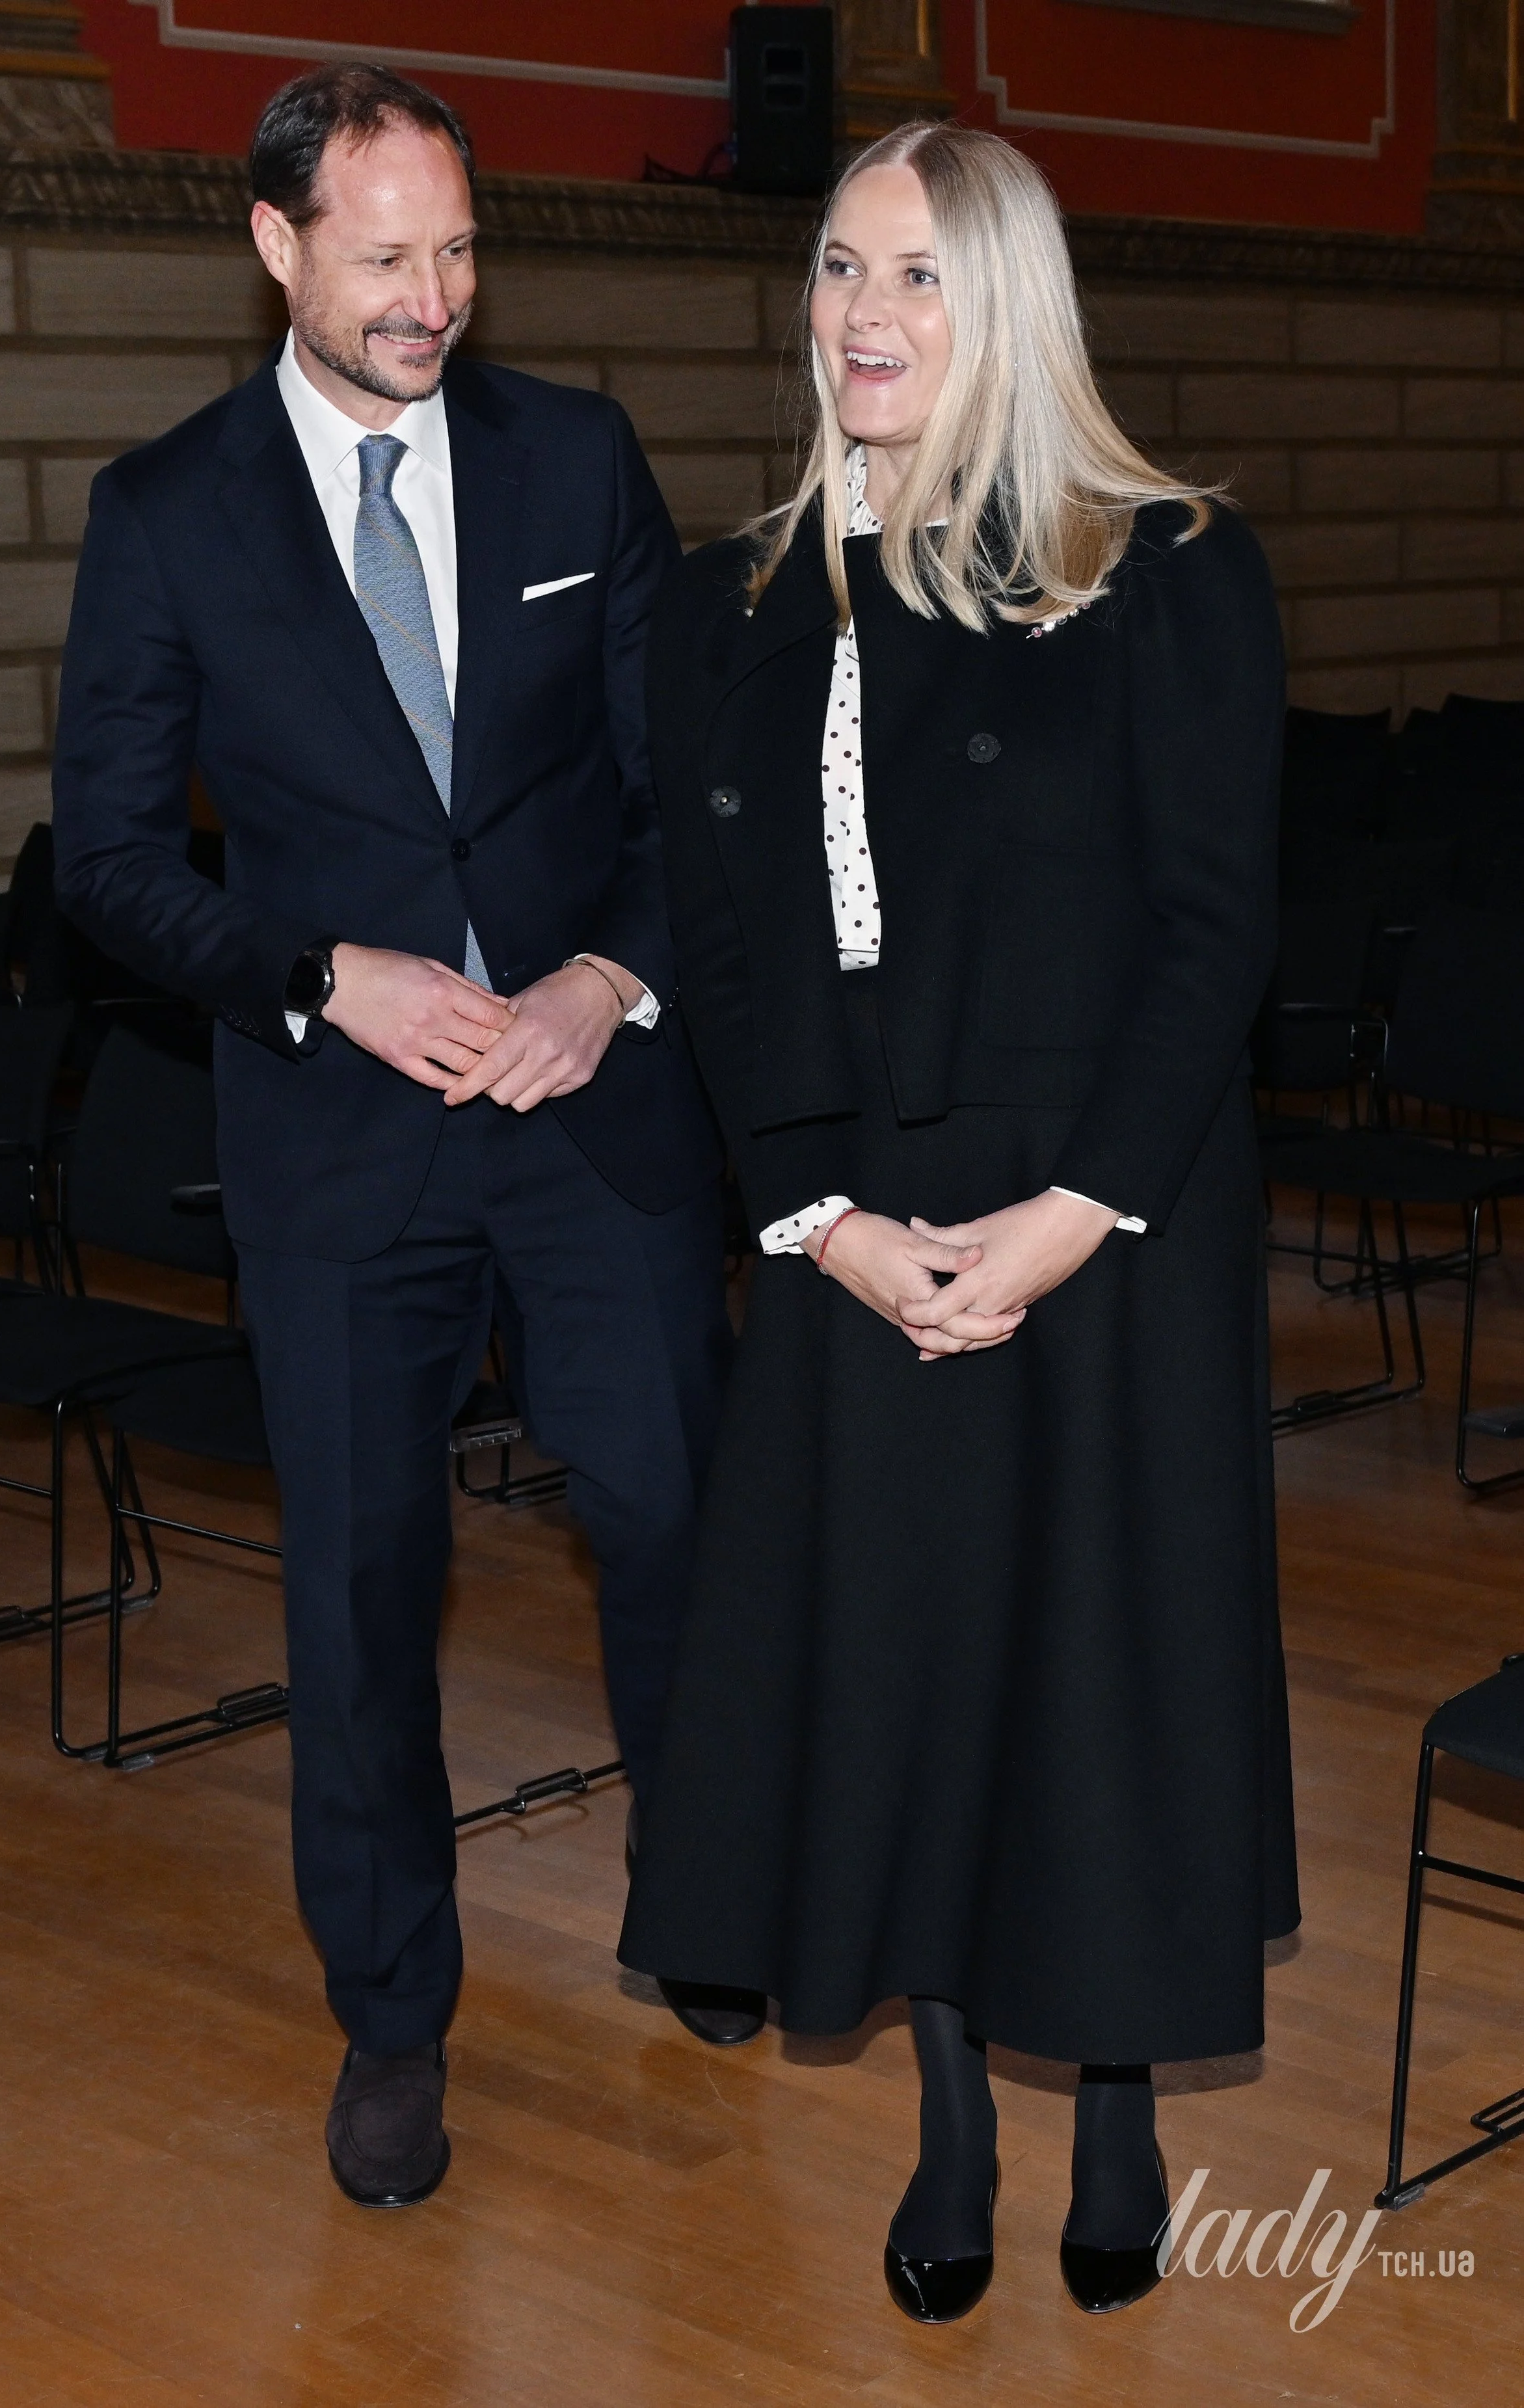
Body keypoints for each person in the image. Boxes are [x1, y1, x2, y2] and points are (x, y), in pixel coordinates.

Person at [620, 120, 1300, 2323]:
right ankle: (944, 2118)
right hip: (847, 1214)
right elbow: (716, 953)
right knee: (896, 1673)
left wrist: (1065, 1212)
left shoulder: (1162, 565)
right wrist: (813, 1218)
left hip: (1108, 1219)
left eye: (913, 276)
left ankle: (1109, 2099)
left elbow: (1214, 931)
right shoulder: (731, 599)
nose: (862, 317)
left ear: (1003, 301)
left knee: (1086, 1676)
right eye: (834, 269)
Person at [52, 64, 732, 2212]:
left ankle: (705, 1892)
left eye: (457, 248)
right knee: (360, 1590)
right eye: (383, 258)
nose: (433, 297)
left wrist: (602, 983)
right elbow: (103, 856)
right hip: (340, 1140)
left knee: (668, 1513)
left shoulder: (577, 456)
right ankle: (393, 2021)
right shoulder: (166, 513)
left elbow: (673, 794)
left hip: (588, 1115)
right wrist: (316, 972)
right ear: (275, 245)